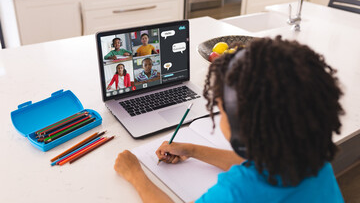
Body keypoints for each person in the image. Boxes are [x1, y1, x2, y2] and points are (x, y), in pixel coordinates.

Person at [114, 36, 344, 203]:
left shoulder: (237, 192)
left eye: (220, 110)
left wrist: (135, 174)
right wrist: (192, 150)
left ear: (243, 125)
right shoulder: (314, 160)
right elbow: (258, 164)